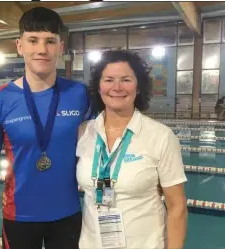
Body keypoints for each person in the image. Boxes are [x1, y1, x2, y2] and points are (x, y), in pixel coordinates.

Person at [0, 7, 92, 249]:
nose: (41, 49)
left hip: (68, 215)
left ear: (60, 47)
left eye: (50, 41)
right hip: (19, 217)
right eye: (33, 40)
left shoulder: (78, 94)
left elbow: (100, 148)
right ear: (20, 46)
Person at [76, 50, 188, 249]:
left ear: (138, 87)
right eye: (109, 80)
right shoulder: (84, 133)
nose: (117, 88)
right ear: (99, 87)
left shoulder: (160, 136)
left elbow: (177, 207)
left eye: (126, 80)